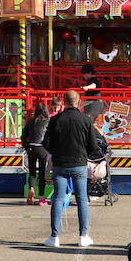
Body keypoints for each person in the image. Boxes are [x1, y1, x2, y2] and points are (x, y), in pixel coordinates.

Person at [43, 90, 95, 247]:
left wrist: (56, 152)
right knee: (82, 200)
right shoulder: (85, 120)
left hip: (60, 164)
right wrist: (83, 153)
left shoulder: (56, 119)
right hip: (79, 163)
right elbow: (93, 145)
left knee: (58, 199)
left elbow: (46, 143)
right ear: (78, 102)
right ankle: (83, 236)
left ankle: (54, 237)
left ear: (64, 102)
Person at [22, 102, 51, 206]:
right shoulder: (48, 122)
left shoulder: (30, 121)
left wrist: (26, 146)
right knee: (42, 172)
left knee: (32, 171)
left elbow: (23, 136)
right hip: (42, 148)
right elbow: (50, 137)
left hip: (31, 147)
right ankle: (42, 198)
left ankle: (31, 188)